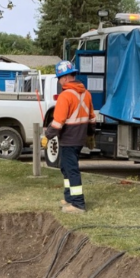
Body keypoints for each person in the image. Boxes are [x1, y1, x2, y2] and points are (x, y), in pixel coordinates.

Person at [42, 60, 95, 214]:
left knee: (71, 169)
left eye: (59, 78)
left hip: (68, 139)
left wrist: (47, 136)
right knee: (66, 167)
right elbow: (92, 118)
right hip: (79, 138)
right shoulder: (86, 94)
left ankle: (78, 204)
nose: (59, 82)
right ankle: (69, 197)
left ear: (64, 78)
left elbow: (58, 123)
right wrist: (91, 134)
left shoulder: (65, 96)